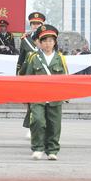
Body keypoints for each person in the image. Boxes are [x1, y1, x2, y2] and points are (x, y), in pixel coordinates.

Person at [26, 25, 68, 160]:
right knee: (38, 121)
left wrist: (66, 95)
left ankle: (52, 150)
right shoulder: (33, 58)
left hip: (55, 97)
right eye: (44, 41)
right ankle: (38, 148)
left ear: (55, 42)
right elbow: (27, 78)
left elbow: (65, 77)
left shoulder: (60, 58)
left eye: (50, 41)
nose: (48, 44)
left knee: (54, 124)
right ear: (40, 42)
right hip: (37, 96)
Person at [16, 12, 45, 137]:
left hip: (43, 75)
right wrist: (18, 76)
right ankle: (31, 127)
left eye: (38, 23)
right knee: (30, 102)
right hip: (29, 74)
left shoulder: (47, 38)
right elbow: (21, 59)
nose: (35, 26)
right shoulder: (25, 40)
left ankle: (39, 126)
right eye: (33, 23)